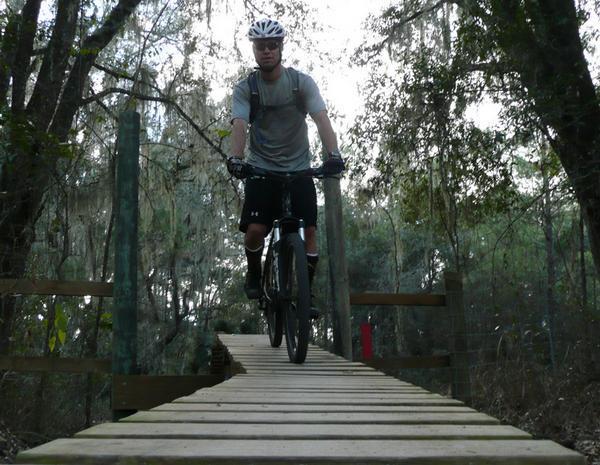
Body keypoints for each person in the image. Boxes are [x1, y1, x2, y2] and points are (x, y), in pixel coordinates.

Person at [227, 18, 345, 317]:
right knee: (255, 231)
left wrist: (334, 154)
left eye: (272, 46)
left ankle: (307, 292)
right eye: (260, 47)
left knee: (309, 232)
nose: (266, 51)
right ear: (254, 51)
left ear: (281, 48)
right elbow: (240, 123)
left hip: (299, 169)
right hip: (261, 169)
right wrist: (236, 158)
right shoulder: (246, 88)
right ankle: (255, 272)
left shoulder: (300, 83)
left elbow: (321, 119)